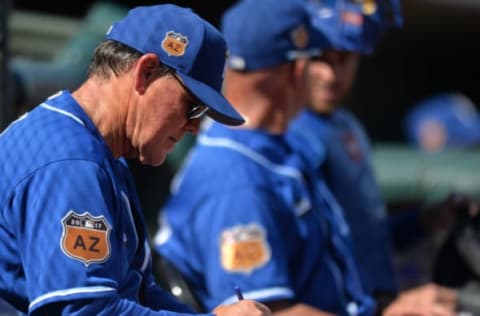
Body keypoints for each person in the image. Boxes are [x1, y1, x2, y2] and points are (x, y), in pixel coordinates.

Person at [0, 4, 271, 316]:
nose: (195, 125)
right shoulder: (71, 162)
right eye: (192, 106)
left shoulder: (95, 148)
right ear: (145, 72)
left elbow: (138, 293)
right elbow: (83, 311)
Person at [155, 0, 375, 315]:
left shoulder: (280, 146)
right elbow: (269, 311)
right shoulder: (236, 179)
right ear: (299, 70)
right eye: (319, 59)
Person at [286, 1, 473, 315]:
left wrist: (423, 221)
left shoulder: (348, 126)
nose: (330, 74)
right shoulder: (287, 134)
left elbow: (364, 235)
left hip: (377, 300)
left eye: (343, 59)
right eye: (320, 59)